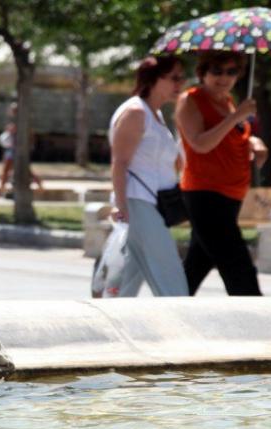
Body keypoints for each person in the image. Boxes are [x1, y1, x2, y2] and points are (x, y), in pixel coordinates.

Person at [174, 51, 268, 296]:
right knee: (238, 266)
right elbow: (200, 143)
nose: (223, 78)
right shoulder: (191, 99)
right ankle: (258, 321)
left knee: (196, 265)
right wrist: (237, 116)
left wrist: (253, 143)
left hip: (232, 193)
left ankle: (166, 310)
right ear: (202, 73)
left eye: (231, 71)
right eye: (216, 71)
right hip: (205, 193)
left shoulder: (229, 101)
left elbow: (229, 138)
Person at [107, 55, 188, 297]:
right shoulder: (136, 112)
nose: (179, 84)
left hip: (152, 203)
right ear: (153, 79)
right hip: (138, 202)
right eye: (173, 77)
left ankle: (110, 317)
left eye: (181, 78)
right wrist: (121, 206)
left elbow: (172, 162)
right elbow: (119, 162)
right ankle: (182, 323)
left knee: (131, 273)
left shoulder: (156, 114)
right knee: (168, 272)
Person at [0, 102, 43, 197]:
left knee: (13, 170)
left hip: (17, 150)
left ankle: (0, 191)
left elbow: (29, 136)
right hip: (12, 149)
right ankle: (40, 185)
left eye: (13, 110)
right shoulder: (15, 121)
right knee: (12, 170)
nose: (11, 112)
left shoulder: (23, 121)